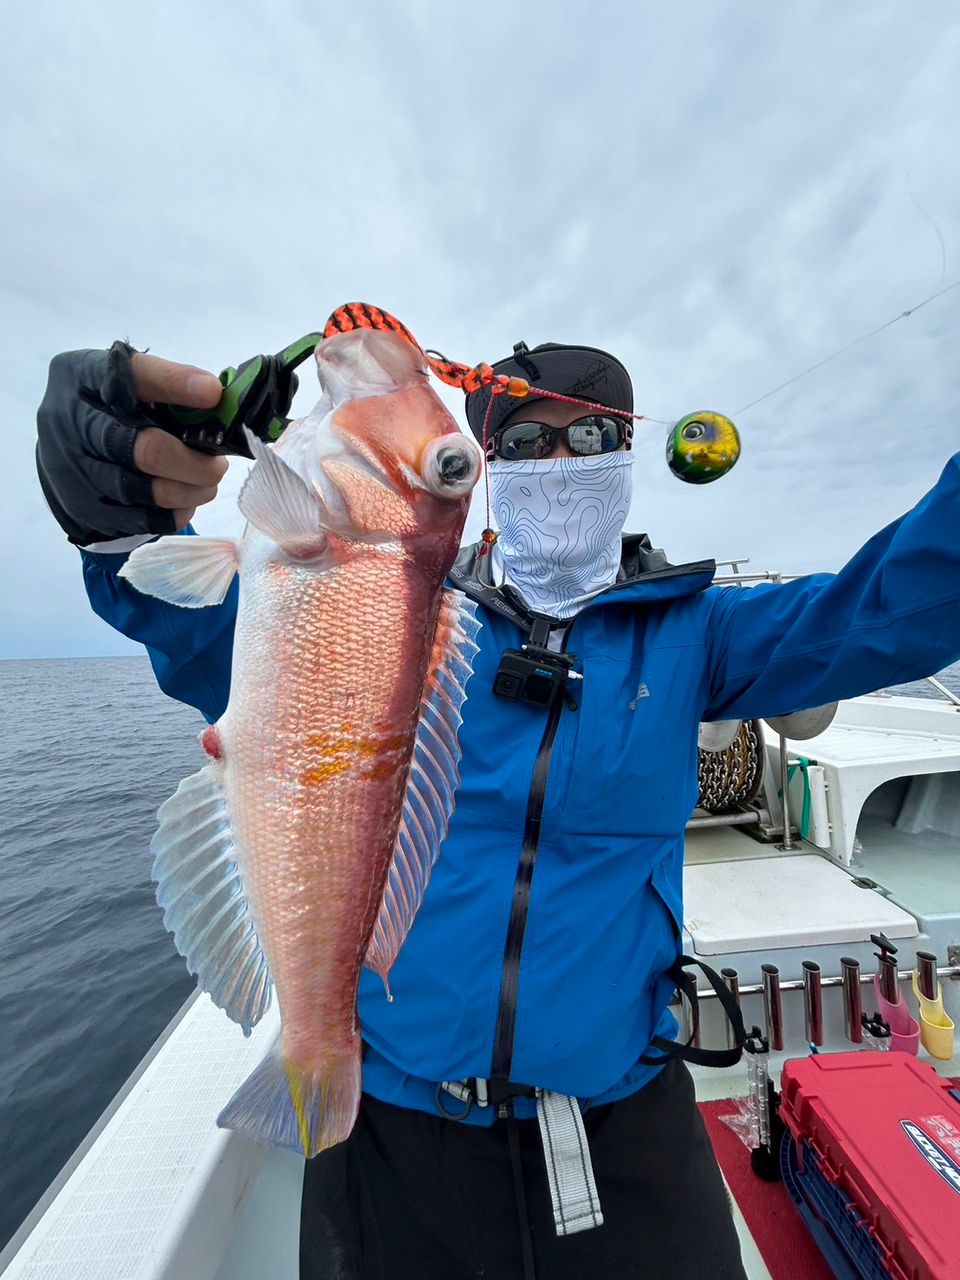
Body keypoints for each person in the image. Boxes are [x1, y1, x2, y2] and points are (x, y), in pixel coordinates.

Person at [36, 334, 960, 1280]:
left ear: (627, 456)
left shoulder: (701, 632)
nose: (557, 462)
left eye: (588, 435)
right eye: (521, 445)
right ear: (487, 475)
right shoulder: (392, 602)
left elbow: (891, 607)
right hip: (392, 1125)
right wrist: (112, 519)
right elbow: (202, 625)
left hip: (619, 1130)